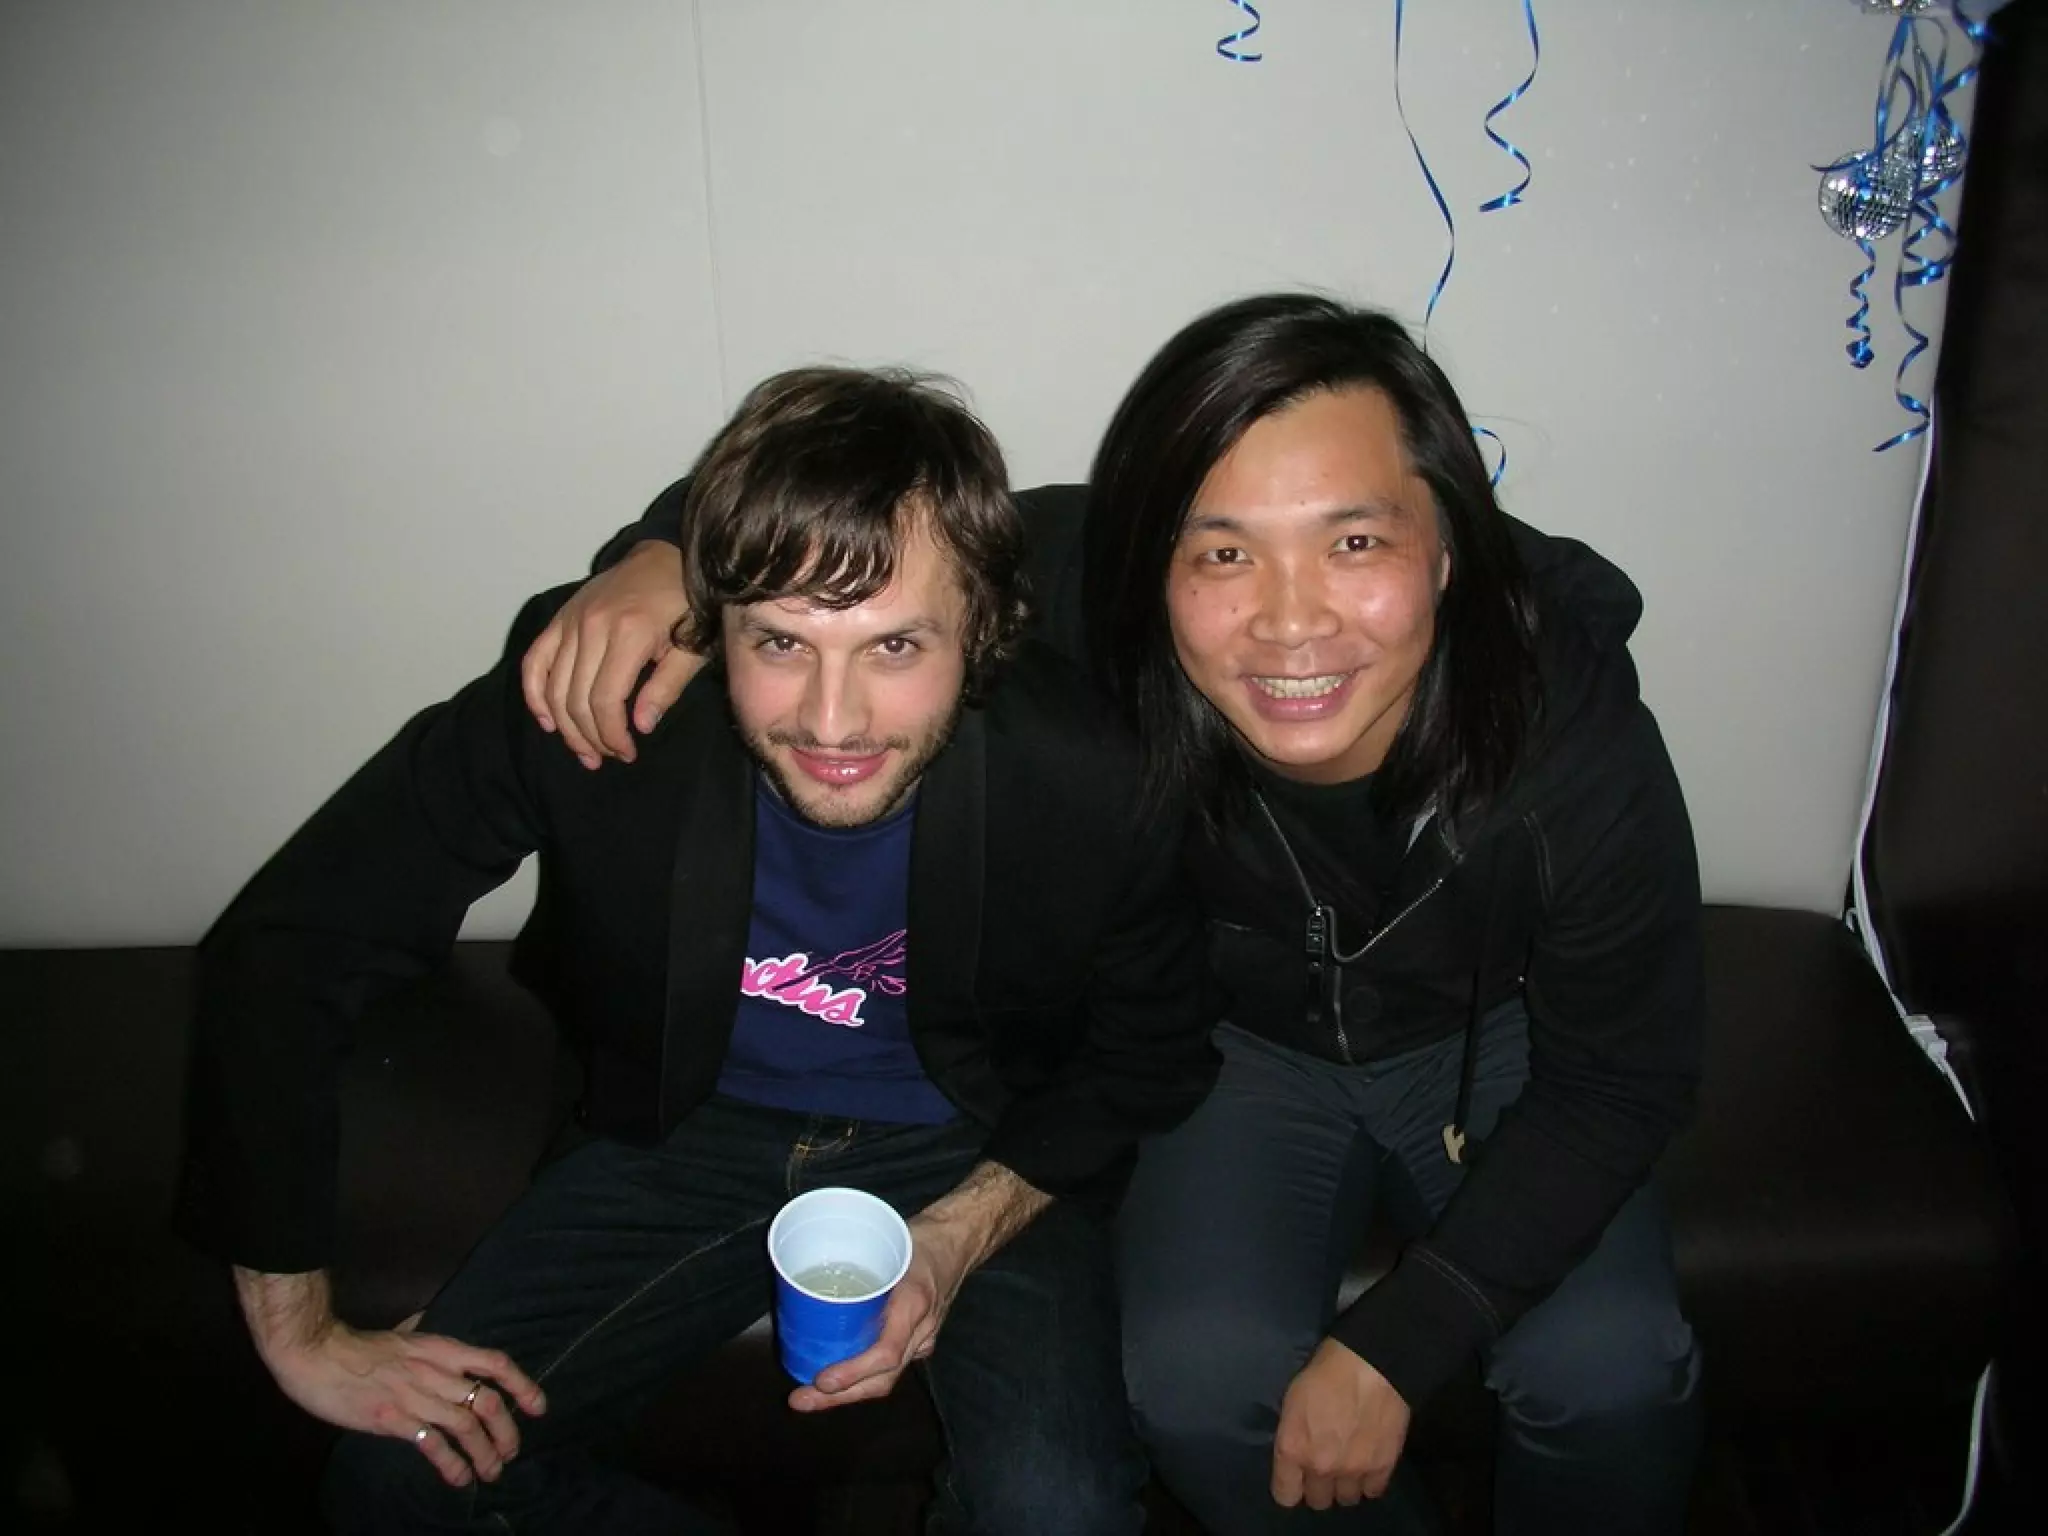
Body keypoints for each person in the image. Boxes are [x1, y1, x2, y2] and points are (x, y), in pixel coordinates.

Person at [525, 295, 1707, 1535]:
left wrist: (1399, 1343)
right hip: (1232, 1041)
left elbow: (1622, 1078)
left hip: (1495, 1032)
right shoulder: (1096, 583)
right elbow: (860, 527)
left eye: (1353, 542)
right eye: (1222, 553)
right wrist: (664, 557)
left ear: (1448, 546)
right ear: (1153, 558)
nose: (1288, 619)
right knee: (1197, 1385)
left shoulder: (1569, 738)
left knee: (1609, 1370)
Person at [174, 366, 1219, 1535]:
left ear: (979, 629)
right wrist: (301, 1332)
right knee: (396, 1484)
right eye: (779, 642)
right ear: (711, 620)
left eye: (893, 646)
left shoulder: (1095, 773)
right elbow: (292, 940)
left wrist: (962, 1229)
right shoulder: (597, 704)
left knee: (1060, 1514)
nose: (830, 720)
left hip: (970, 1141)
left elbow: (1151, 1051)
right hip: (686, 1131)